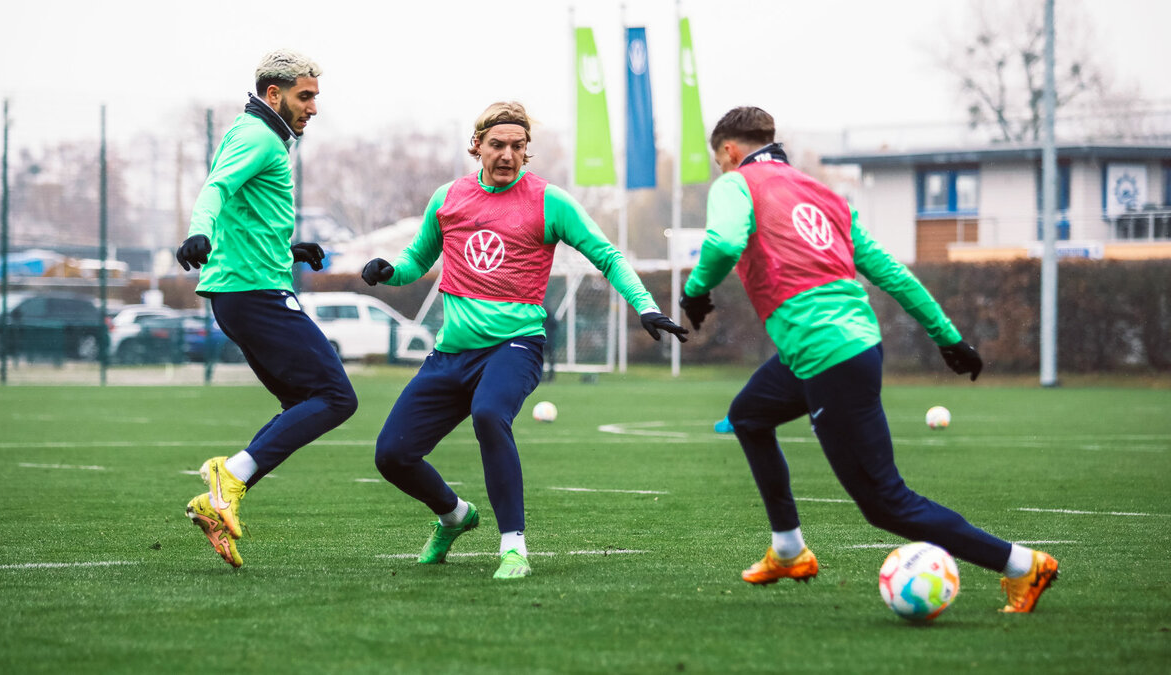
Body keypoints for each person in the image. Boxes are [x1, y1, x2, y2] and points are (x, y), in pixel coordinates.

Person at [679, 106, 1058, 613]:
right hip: (847, 345)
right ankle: (789, 550)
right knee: (748, 415)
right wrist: (948, 338)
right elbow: (892, 273)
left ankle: (1022, 564)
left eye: (720, 162)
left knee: (886, 503)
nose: (721, 171)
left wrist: (696, 290)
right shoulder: (824, 195)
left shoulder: (735, 183)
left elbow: (724, 241)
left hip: (826, 354)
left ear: (729, 151)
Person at [361, 101, 687, 580]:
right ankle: (454, 516)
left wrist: (646, 305)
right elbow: (416, 261)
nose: (508, 154)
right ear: (477, 146)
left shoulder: (550, 201)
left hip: (515, 346)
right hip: (452, 353)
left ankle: (513, 546)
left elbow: (608, 256)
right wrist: (389, 271)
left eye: (518, 145)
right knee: (391, 455)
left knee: (489, 414)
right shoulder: (447, 198)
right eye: (498, 144)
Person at [176, 49, 357, 568]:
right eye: (305, 96)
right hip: (255, 295)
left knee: (303, 403)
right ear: (274, 94)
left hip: (246, 291)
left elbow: (245, 211)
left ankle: (217, 501)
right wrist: (198, 231)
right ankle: (227, 477)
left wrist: (286, 249)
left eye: (316, 97)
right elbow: (216, 189)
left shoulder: (257, 133)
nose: (313, 107)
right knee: (336, 397)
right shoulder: (258, 137)